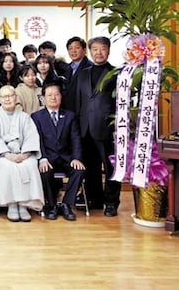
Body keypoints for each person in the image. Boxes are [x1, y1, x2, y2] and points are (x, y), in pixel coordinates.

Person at [0, 85, 44, 222]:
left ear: (16, 97)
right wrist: (7, 154)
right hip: (2, 155)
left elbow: (31, 137)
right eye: (4, 96)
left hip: (23, 154)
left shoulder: (25, 117)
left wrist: (25, 154)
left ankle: (24, 205)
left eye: (10, 96)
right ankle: (11, 204)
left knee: (30, 165)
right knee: (7, 167)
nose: (7, 99)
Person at [75, 36, 119, 216]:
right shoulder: (83, 73)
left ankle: (111, 202)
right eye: (95, 49)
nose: (98, 53)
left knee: (110, 168)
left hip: (107, 128)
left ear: (108, 50)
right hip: (85, 127)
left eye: (102, 49)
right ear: (90, 51)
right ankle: (95, 199)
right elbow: (78, 101)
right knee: (90, 167)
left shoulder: (116, 73)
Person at [32, 82, 85, 221]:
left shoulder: (70, 116)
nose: (53, 98)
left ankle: (67, 204)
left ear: (61, 96)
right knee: (45, 172)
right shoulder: (36, 117)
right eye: (49, 95)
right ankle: (52, 205)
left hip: (67, 158)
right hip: (48, 158)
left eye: (56, 94)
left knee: (79, 171)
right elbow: (37, 141)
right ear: (43, 98)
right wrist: (42, 158)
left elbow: (76, 139)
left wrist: (76, 158)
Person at [63, 36, 93, 112]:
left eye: (77, 48)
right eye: (70, 48)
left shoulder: (90, 67)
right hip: (68, 111)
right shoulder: (67, 68)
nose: (73, 51)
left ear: (84, 50)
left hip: (84, 110)